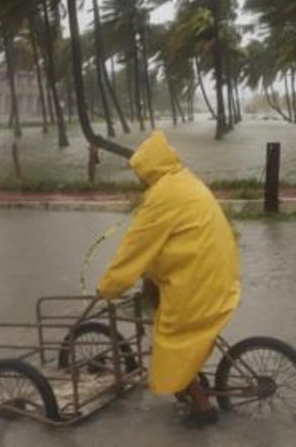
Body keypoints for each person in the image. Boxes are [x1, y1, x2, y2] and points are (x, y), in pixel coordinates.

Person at [97, 131, 241, 425]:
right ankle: (192, 379)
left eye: (140, 174)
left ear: (149, 169)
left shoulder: (162, 197)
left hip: (200, 282)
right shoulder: (184, 180)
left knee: (169, 340)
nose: (139, 180)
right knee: (157, 295)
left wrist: (108, 288)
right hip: (218, 273)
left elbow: (134, 250)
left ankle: (202, 408)